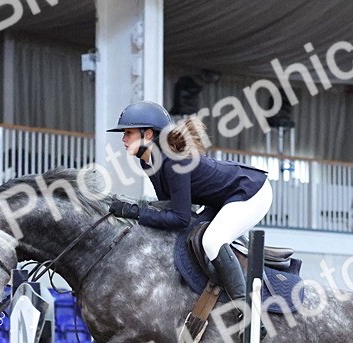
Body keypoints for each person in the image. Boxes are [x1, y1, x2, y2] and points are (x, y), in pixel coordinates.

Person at [105, 100, 273, 301]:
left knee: (212, 241)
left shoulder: (173, 162)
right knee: (192, 237)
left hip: (251, 191)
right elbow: (167, 206)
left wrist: (133, 212)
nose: (123, 139)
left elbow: (180, 218)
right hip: (221, 199)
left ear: (147, 134)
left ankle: (244, 306)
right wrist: (132, 209)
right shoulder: (148, 162)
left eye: (128, 133)